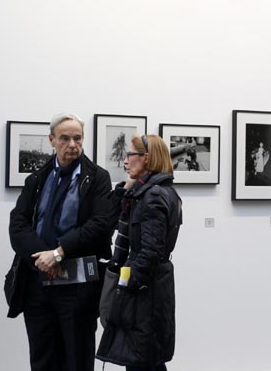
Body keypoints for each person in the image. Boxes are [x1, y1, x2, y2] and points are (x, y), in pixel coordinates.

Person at [8, 113, 113, 371]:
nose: (72, 145)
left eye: (77, 138)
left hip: (77, 288)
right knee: (42, 359)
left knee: (76, 359)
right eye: (65, 138)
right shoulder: (37, 179)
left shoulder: (97, 178)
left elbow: (100, 225)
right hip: (38, 286)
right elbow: (18, 224)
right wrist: (44, 258)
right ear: (52, 140)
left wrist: (59, 252)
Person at [97, 134, 182, 371]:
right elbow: (109, 220)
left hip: (145, 292)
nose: (126, 161)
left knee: (142, 359)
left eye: (131, 155)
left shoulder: (153, 195)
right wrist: (126, 188)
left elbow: (150, 253)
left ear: (147, 158)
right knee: (143, 358)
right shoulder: (148, 192)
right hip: (149, 288)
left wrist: (127, 285)